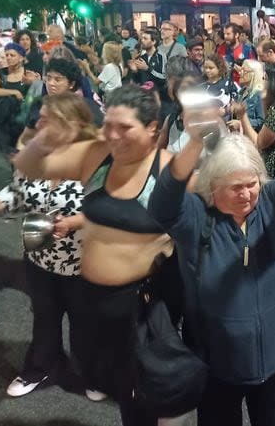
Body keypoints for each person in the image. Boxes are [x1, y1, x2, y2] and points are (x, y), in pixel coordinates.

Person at [145, 104, 275, 426]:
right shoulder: (196, 216)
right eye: (235, 187)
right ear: (212, 187)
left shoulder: (273, 201)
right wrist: (195, 143)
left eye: (252, 183)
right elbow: (162, 203)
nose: (246, 194)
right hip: (217, 365)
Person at [14, 84, 182, 425]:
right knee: (125, 388)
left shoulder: (168, 169)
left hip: (147, 299)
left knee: (155, 386)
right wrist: (41, 132)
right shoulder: (100, 156)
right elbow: (29, 166)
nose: (113, 135)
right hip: (99, 296)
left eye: (124, 127)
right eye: (108, 125)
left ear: (152, 128)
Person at [0, 93, 102, 399]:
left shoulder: (97, 156)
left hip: (84, 262)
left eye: (48, 118)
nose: (39, 122)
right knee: (45, 318)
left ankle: (91, 374)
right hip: (39, 255)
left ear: (73, 124)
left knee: (85, 323)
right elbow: (17, 193)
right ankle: (39, 368)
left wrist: (76, 221)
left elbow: (114, 207)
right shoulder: (35, 154)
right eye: (41, 117)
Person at [0, 42, 28, 156]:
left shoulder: (28, 73)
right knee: (10, 152)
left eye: (12, 55)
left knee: (23, 151)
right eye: (7, 55)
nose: (8, 58)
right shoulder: (0, 73)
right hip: (4, 121)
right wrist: (14, 92)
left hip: (23, 120)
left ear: (21, 58)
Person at [229, 59, 264, 133]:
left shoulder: (259, 94)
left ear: (254, 74)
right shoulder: (242, 91)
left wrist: (240, 124)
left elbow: (262, 121)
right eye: (240, 70)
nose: (240, 73)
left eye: (244, 71)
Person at [201, 53, 237, 118]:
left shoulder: (229, 84)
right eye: (205, 68)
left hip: (225, 123)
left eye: (211, 68)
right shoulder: (201, 87)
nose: (207, 70)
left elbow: (235, 103)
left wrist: (226, 110)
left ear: (219, 68)